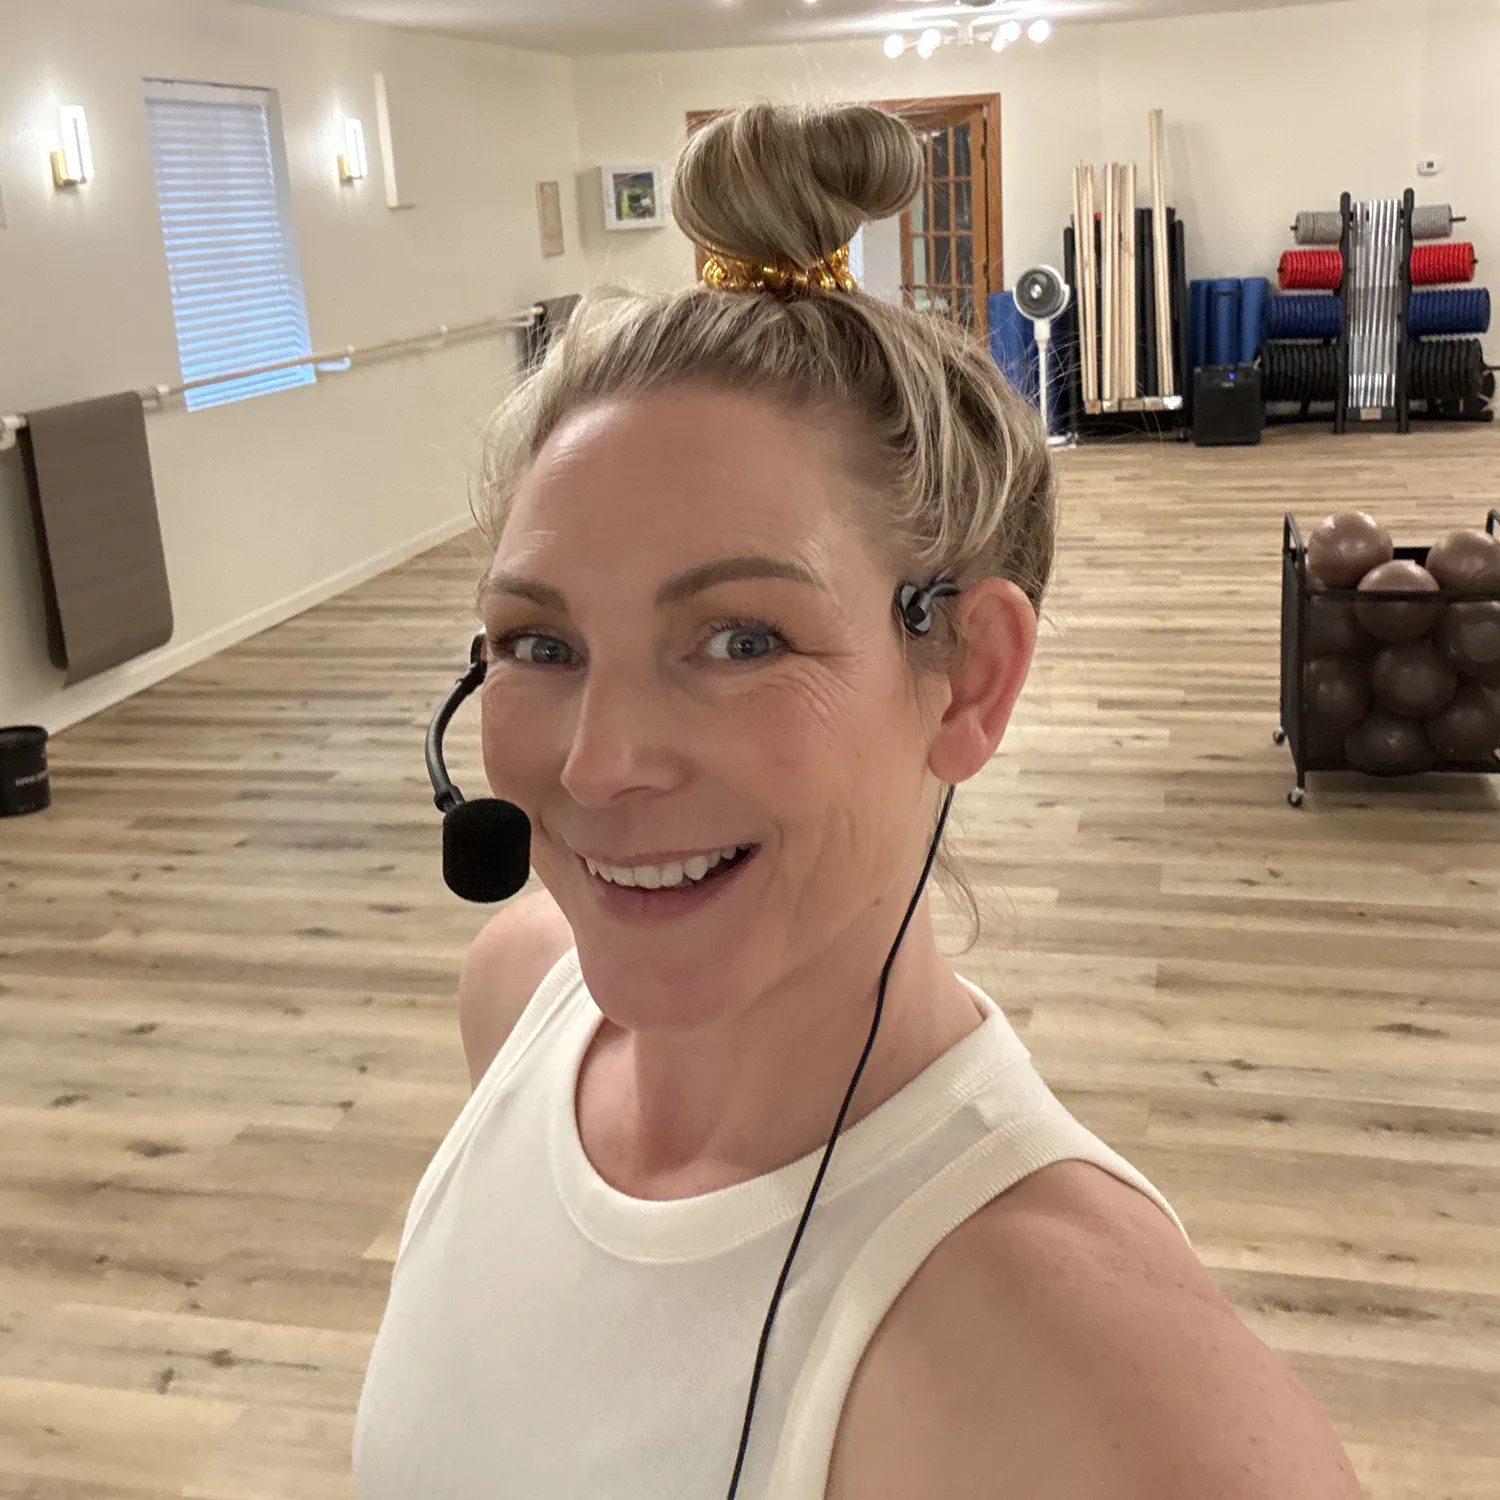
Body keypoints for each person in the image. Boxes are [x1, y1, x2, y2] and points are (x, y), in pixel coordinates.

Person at [353, 102, 1365, 1499]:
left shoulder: (1108, 1401)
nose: (596, 765)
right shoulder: (519, 991)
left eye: (741, 639)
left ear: (968, 678)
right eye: (540, 643)